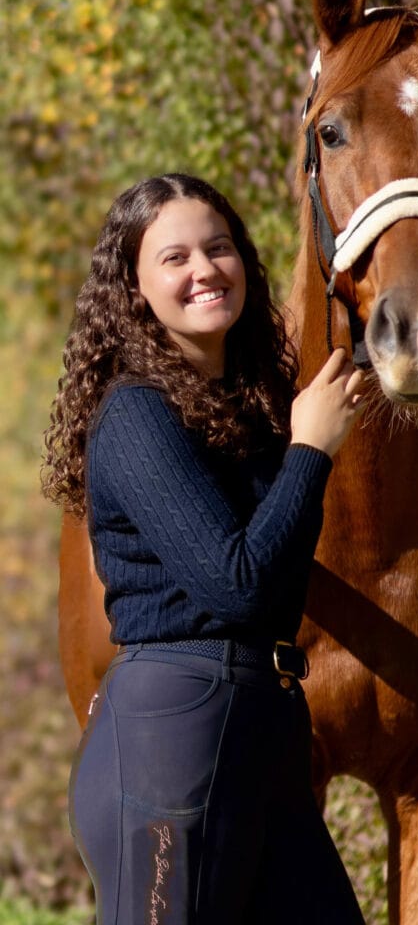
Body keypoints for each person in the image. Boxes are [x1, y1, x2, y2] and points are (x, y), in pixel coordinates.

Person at [42, 173, 367, 925]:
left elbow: (277, 581)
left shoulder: (250, 412)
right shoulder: (135, 414)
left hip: (264, 733)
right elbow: (239, 585)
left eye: (219, 248)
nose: (205, 269)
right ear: (134, 289)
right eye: (175, 257)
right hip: (172, 744)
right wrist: (311, 451)